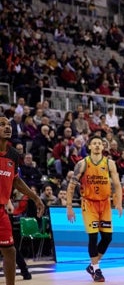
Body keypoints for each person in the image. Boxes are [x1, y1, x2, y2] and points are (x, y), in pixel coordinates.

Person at [66, 135, 123, 282]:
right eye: (94, 143)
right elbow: (71, 186)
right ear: (89, 147)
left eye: (99, 143)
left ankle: (92, 265)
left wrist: (119, 202)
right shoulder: (82, 163)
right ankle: (96, 269)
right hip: (89, 203)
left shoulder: (110, 163)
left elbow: (117, 184)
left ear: (103, 147)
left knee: (107, 237)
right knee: (93, 236)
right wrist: (69, 207)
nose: (97, 145)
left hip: (105, 204)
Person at [0, 115, 45, 285]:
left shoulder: (13, 155)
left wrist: (35, 198)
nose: (7, 127)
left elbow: (16, 180)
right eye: (1, 124)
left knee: (10, 251)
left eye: (8, 124)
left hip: (2, 210)